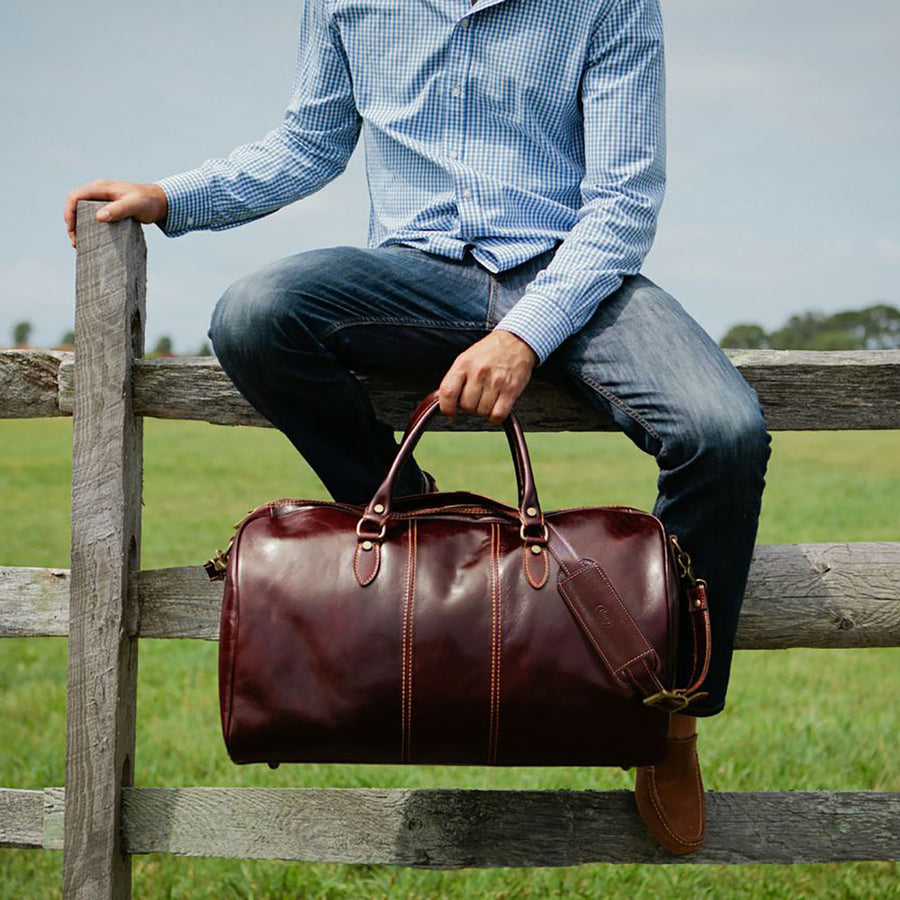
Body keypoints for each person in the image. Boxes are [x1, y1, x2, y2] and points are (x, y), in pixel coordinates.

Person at [64, 0, 770, 854]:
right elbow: (308, 142)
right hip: (408, 273)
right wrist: (174, 197)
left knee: (723, 430)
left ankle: (669, 717)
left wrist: (522, 335)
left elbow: (622, 199)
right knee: (253, 314)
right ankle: (410, 511)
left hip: (575, 273)